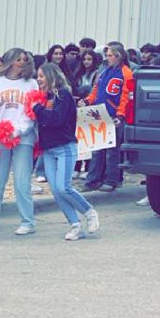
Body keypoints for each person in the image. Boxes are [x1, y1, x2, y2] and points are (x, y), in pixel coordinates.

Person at [32, 63, 100, 240]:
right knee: (56, 191)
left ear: (51, 76)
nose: (38, 79)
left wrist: (37, 109)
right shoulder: (43, 97)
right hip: (48, 149)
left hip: (64, 147)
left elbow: (57, 119)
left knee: (64, 187)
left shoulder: (63, 94)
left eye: (41, 76)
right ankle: (75, 225)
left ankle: (89, 212)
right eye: (38, 76)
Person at [0, 48, 39, 235]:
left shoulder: (32, 84)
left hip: (23, 137)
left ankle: (28, 221)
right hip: (0, 137)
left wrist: (18, 130)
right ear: (9, 61)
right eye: (18, 59)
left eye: (24, 59)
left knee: (22, 181)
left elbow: (32, 111)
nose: (21, 63)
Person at [81, 43, 134, 192]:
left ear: (119, 56)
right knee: (96, 149)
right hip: (99, 113)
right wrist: (88, 101)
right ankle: (93, 180)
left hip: (113, 114)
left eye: (110, 55)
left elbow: (126, 96)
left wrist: (120, 115)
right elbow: (96, 90)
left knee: (112, 151)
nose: (107, 58)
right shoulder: (104, 71)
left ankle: (111, 180)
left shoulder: (126, 73)